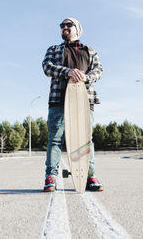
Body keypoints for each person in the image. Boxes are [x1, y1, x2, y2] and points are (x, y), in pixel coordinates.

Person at [42, 17, 103, 192]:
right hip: (58, 100)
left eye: (69, 25)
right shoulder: (54, 49)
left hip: (85, 100)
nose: (64, 27)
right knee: (55, 140)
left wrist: (86, 77)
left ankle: (89, 176)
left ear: (78, 29)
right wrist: (67, 71)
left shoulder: (89, 50)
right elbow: (47, 67)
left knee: (86, 140)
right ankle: (51, 177)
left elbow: (99, 70)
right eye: (62, 26)